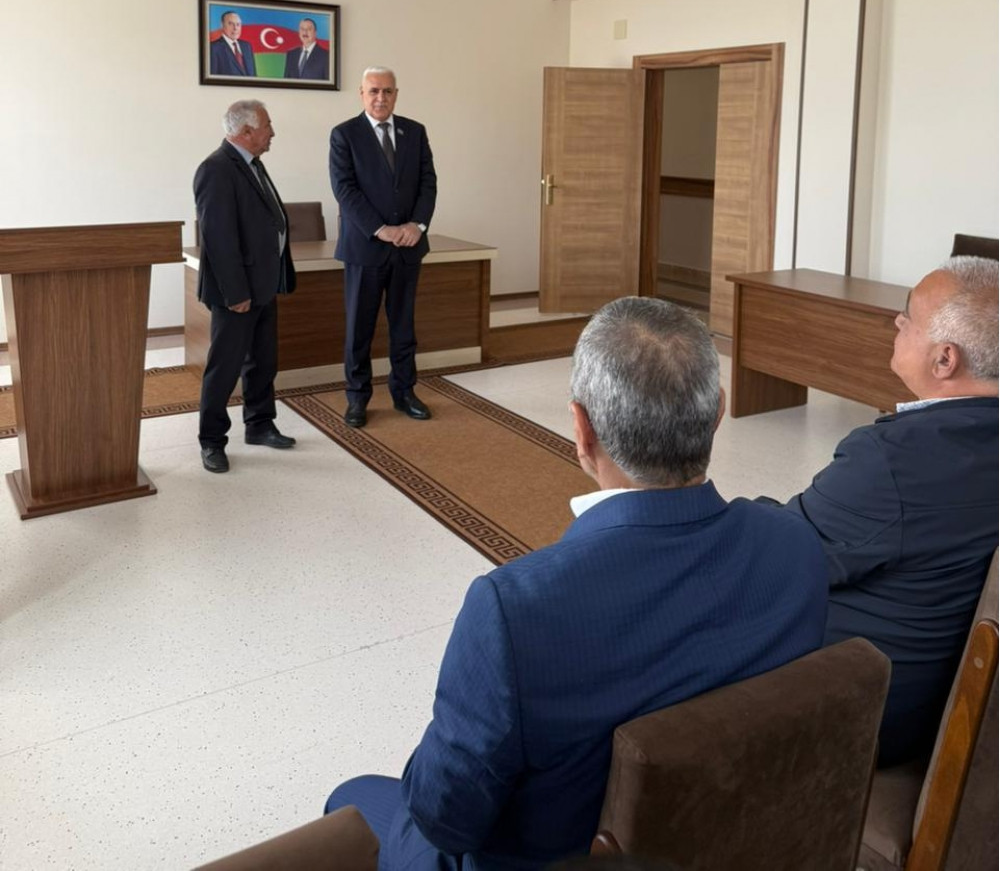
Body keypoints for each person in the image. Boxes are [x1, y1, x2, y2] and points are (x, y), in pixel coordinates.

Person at [324, 298, 828, 871]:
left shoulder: (516, 611)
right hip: (737, 844)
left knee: (351, 799)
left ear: (581, 431)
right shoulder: (795, 548)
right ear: (717, 412)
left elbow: (445, 818)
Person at [773, 256, 999, 767]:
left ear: (945, 360)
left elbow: (785, 553)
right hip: (947, 702)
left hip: (866, 710)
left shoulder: (894, 460)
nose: (895, 322)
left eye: (907, 317)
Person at [328, 67, 437, 428]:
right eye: (374, 91)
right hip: (365, 248)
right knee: (359, 329)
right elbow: (345, 190)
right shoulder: (344, 134)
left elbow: (428, 183)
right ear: (361, 93)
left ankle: (404, 393)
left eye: (387, 91)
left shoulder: (414, 131)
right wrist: (381, 230)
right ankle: (357, 398)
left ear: (396, 94)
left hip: (408, 247)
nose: (381, 98)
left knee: (404, 327)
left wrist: (417, 225)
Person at [193, 100, 297, 472]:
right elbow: (218, 239)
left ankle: (259, 424)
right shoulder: (216, 169)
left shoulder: (253, 164)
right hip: (236, 291)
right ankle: (211, 441)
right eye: (267, 126)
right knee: (224, 367)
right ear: (247, 131)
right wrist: (236, 293)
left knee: (263, 361)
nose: (273, 133)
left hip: (263, 284)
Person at [209, 10, 257, 77]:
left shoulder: (247, 46)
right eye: (231, 24)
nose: (235, 28)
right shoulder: (213, 48)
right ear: (222, 25)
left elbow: (254, 75)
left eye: (238, 24)